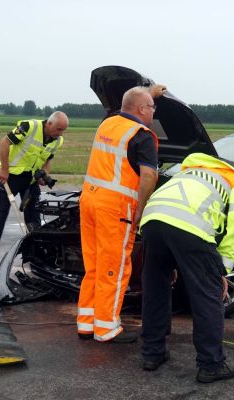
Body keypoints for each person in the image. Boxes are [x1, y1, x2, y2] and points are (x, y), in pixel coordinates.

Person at [139, 153, 234, 383]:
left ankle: (152, 354)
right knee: (207, 297)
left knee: (155, 290)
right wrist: (223, 268)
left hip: (152, 221)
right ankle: (211, 364)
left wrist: (173, 260)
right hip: (191, 227)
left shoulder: (190, 171)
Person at [76, 85, 165, 343]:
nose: (153, 112)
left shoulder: (108, 124)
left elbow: (129, 100)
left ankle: (87, 323)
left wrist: (150, 92)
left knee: (93, 266)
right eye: (151, 107)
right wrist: (141, 207)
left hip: (89, 199)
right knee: (113, 267)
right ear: (141, 109)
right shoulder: (142, 135)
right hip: (115, 208)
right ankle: (107, 329)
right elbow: (149, 175)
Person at [0, 111, 69, 264]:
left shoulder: (57, 140)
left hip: (31, 179)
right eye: (59, 129)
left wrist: (44, 175)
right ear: (49, 123)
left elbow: (47, 160)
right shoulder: (29, 126)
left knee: (34, 215)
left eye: (63, 130)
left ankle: (33, 252)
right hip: (11, 177)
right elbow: (4, 142)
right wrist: (4, 169)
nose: (60, 134)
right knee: (0, 213)